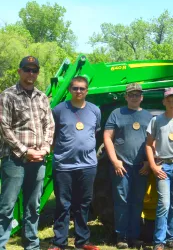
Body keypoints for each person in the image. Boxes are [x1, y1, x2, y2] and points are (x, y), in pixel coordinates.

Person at [0, 56, 55, 250]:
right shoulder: (7, 95)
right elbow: (4, 127)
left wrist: (46, 147)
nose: (31, 73)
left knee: (33, 205)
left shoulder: (41, 97)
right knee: (7, 205)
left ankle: (31, 244)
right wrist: (25, 151)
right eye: (27, 69)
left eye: (34, 70)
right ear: (19, 71)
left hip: (38, 160)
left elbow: (49, 124)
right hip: (14, 160)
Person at [50, 76, 101, 250]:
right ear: (70, 90)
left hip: (87, 166)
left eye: (82, 89)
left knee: (83, 204)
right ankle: (59, 242)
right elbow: (53, 134)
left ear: (87, 90)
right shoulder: (59, 110)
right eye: (75, 88)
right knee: (63, 204)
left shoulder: (95, 110)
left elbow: (94, 133)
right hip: (63, 165)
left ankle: (83, 241)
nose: (79, 91)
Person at [103, 83, 153, 249]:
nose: (134, 97)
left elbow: (152, 141)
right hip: (121, 166)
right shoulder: (116, 114)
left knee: (137, 201)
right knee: (121, 201)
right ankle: (121, 237)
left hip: (141, 166)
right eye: (131, 94)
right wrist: (115, 161)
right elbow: (107, 137)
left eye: (137, 94)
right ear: (126, 97)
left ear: (142, 97)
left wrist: (148, 161)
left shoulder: (148, 116)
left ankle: (134, 237)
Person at [146, 87, 173, 250]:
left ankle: (172, 239)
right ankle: (159, 241)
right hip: (162, 166)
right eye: (169, 100)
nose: (172, 103)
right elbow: (149, 145)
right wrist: (153, 165)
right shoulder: (156, 121)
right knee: (164, 204)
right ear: (164, 102)